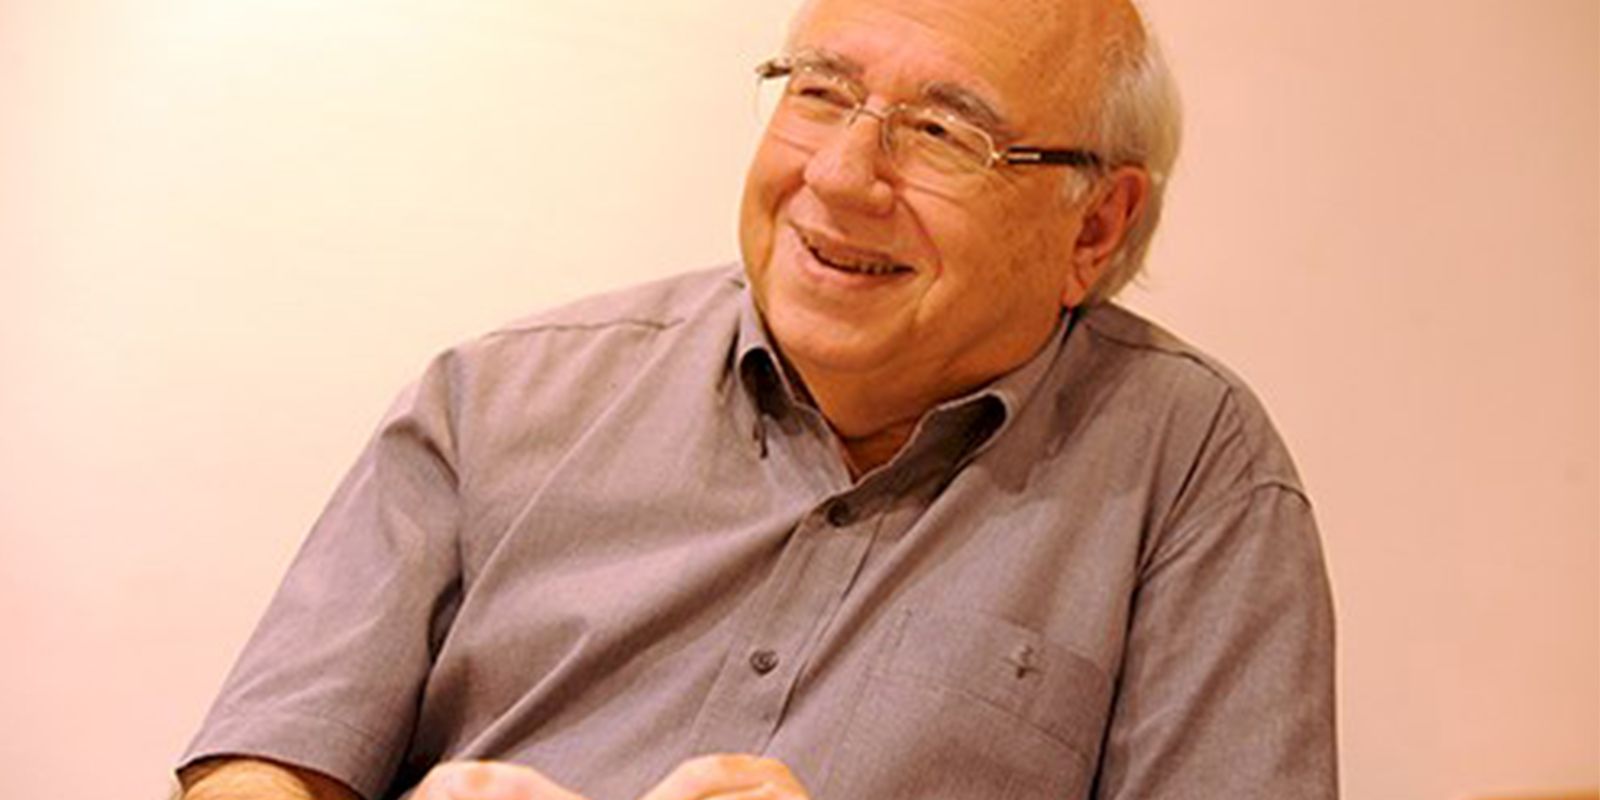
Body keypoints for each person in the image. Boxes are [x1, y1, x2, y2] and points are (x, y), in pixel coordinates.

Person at [177, 0, 1337, 797]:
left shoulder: (1193, 471)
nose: (839, 175)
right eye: (822, 93)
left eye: (943, 133)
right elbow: (262, 765)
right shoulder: (496, 397)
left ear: (1094, 226)